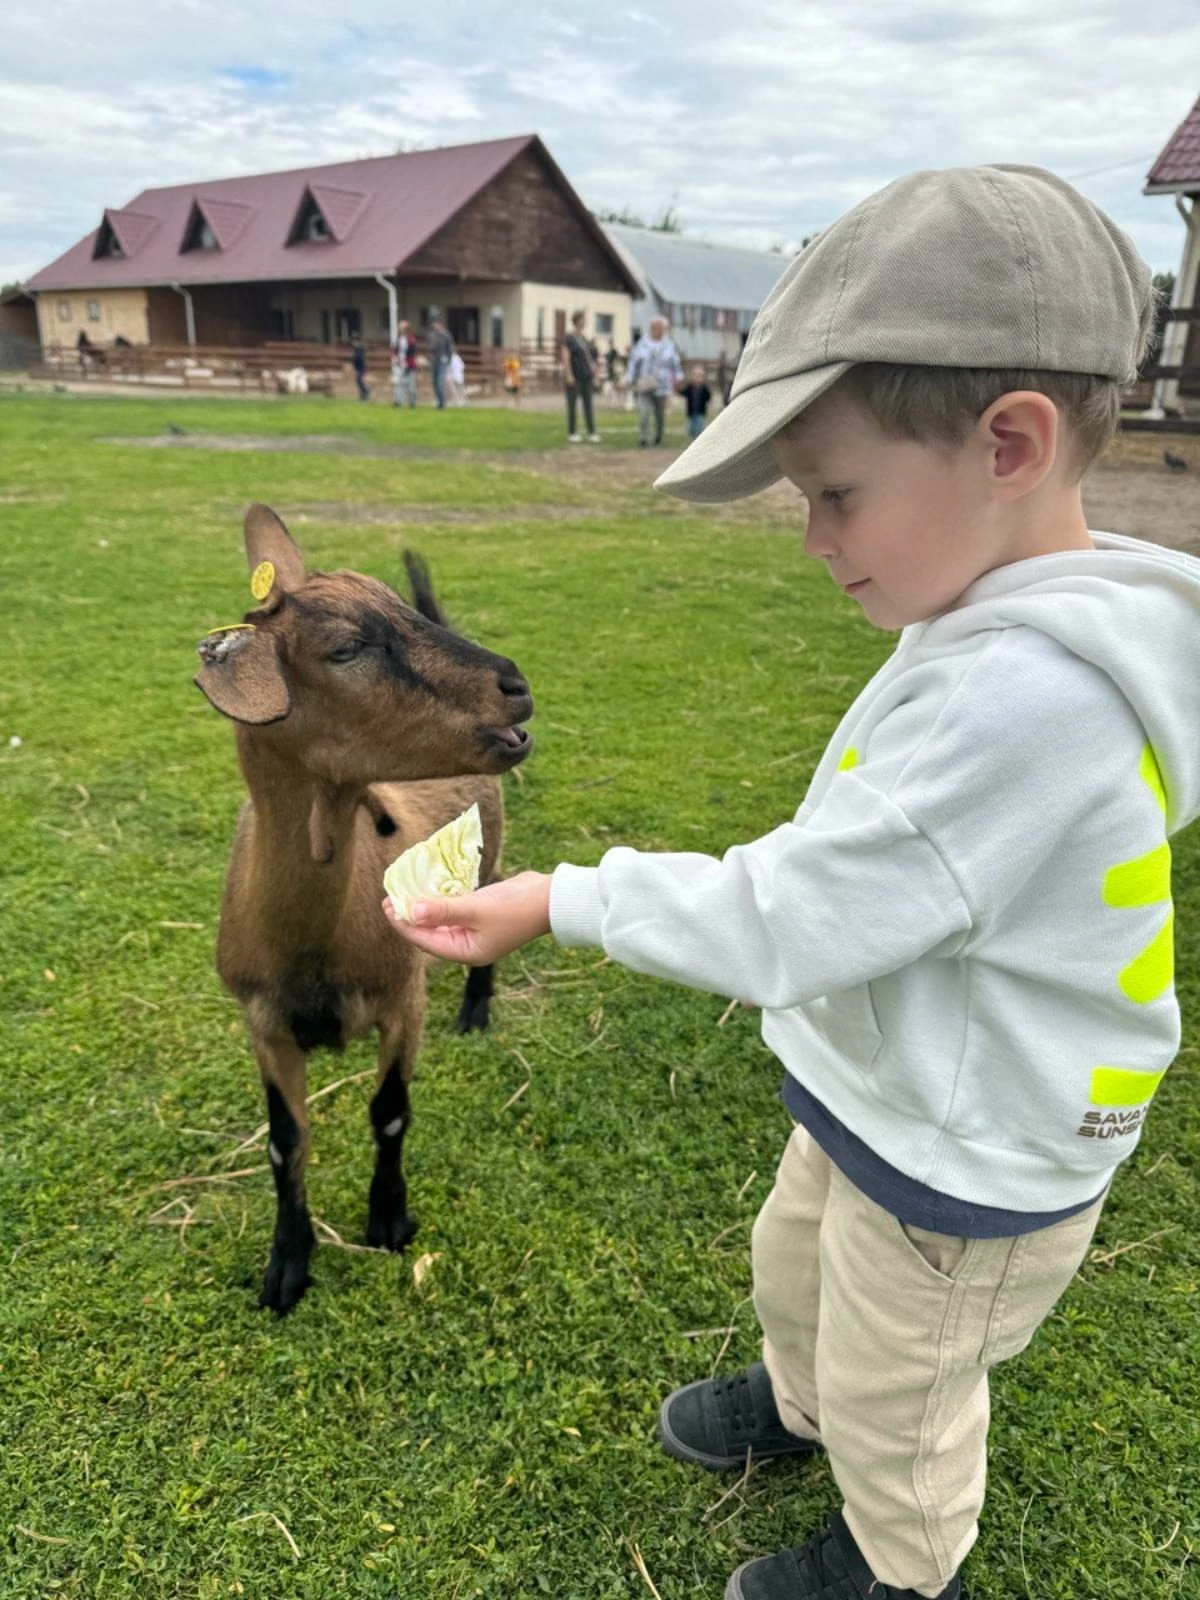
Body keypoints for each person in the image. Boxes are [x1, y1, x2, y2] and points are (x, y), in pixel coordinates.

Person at [381, 167, 1197, 1600]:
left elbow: (792, 914)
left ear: (1011, 443)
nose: (815, 540)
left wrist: (563, 897)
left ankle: (899, 1562)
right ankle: (805, 1399)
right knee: (799, 1261)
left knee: (909, 1379)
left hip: (966, 1151)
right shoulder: (1009, 618)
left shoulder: (1026, 697)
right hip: (895, 1087)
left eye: (835, 492)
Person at [626, 316, 684, 446]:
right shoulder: (643, 343)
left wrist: (679, 377)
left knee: (659, 414)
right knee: (644, 413)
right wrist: (630, 378)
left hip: (662, 385)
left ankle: (659, 436)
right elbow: (633, 361)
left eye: (661, 328)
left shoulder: (669, 345)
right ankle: (643, 438)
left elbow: (675, 363)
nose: (658, 330)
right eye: (655, 328)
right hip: (645, 383)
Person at [562, 310, 600, 442]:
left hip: (586, 376)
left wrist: (595, 373)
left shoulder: (584, 339)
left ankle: (592, 432)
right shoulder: (569, 338)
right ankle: (572, 432)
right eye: (583, 319)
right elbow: (565, 357)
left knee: (588, 404)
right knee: (572, 405)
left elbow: (591, 359)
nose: (585, 322)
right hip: (575, 376)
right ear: (577, 321)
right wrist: (569, 374)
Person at [680, 364, 713, 438]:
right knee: (691, 428)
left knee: (699, 427)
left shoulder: (704, 388)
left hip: (700, 412)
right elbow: (683, 393)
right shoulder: (689, 387)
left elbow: (709, 397)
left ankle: (698, 438)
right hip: (691, 412)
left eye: (699, 375)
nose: (697, 377)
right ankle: (692, 437)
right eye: (695, 375)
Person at [428, 318, 454, 410]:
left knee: (440, 383)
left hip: (442, 362)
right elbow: (430, 348)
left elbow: (450, 349)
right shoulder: (432, 335)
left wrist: (448, 361)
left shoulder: (446, 335)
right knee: (434, 383)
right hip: (434, 362)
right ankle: (439, 402)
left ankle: (442, 403)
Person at [391, 321, 418, 407]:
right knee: (398, 383)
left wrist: (408, 363)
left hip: (410, 365)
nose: (400, 328)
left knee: (411, 385)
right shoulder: (398, 338)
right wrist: (394, 356)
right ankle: (398, 401)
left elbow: (412, 352)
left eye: (402, 327)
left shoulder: (411, 338)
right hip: (400, 364)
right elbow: (395, 349)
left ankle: (412, 402)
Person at [350, 333, 370, 401]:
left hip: (361, 366)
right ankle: (363, 394)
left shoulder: (359, 347)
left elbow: (359, 358)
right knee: (358, 380)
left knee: (358, 380)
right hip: (359, 367)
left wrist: (354, 362)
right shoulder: (357, 347)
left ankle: (366, 392)